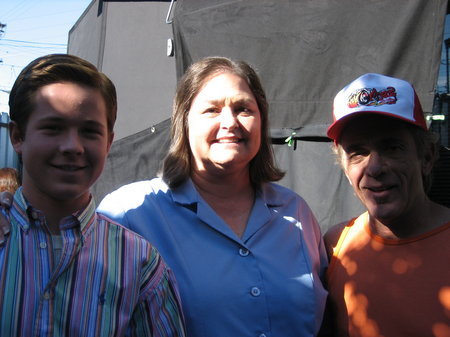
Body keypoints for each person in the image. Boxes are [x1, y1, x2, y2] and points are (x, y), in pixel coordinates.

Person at [96, 56, 328, 336]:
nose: (230, 122)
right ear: (184, 121)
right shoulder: (130, 215)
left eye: (243, 109)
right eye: (212, 110)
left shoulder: (295, 211)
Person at [0, 54, 186, 336]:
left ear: (109, 142)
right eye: (53, 128)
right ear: (17, 136)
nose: (73, 146)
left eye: (89, 131)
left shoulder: (140, 264)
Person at [324, 73, 450, 337]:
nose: (375, 167)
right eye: (357, 152)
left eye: (392, 147)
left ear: (426, 157)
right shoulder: (335, 247)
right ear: (345, 169)